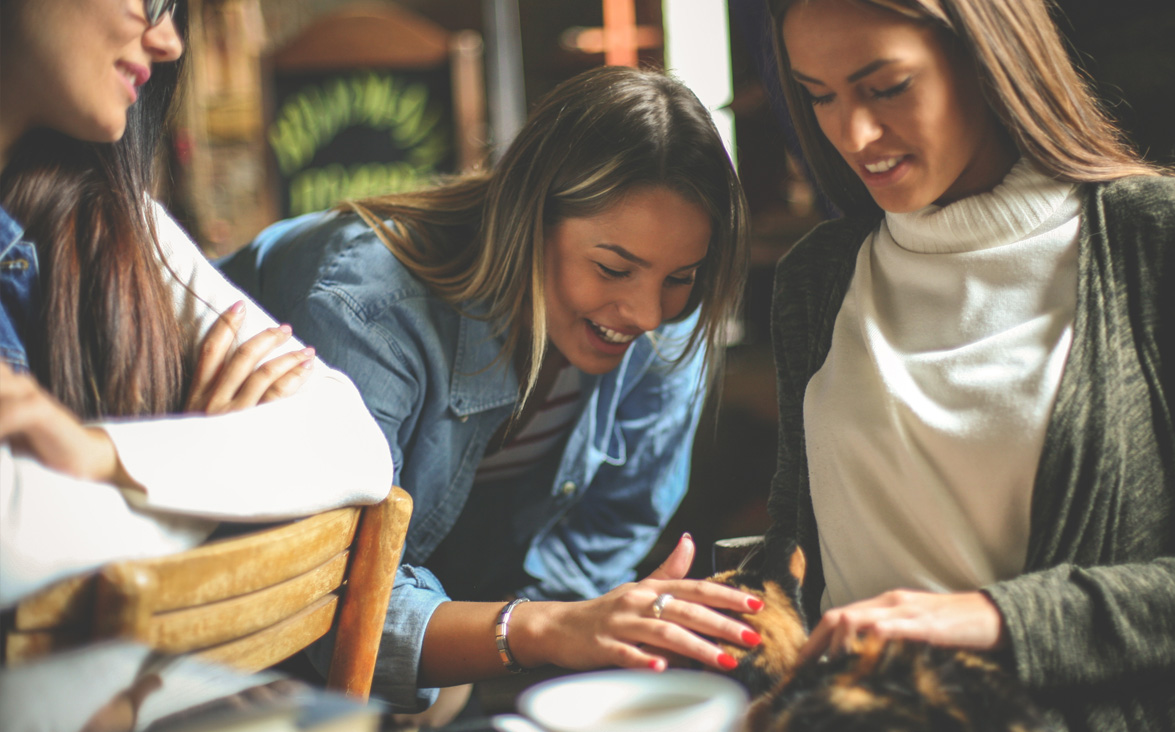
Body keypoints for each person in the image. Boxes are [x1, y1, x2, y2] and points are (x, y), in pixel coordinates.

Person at [220, 65, 764, 712]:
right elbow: (331, 598)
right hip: (223, 623)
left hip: (445, 635)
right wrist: (542, 629)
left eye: (681, 277)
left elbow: (604, 539)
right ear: (529, 218)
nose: (647, 313)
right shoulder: (366, 306)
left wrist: (551, 628)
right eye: (613, 268)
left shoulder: (667, 325)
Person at [759, 0, 1175, 729]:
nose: (852, 133)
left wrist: (994, 619)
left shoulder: (1168, 241)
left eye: (885, 88)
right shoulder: (816, 279)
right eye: (819, 96)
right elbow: (796, 549)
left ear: (988, 60)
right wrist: (734, 612)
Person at [0, 0, 392, 607]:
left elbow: (353, 443)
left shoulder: (121, 228)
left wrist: (101, 455)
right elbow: (13, 542)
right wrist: (201, 490)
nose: (171, 42)